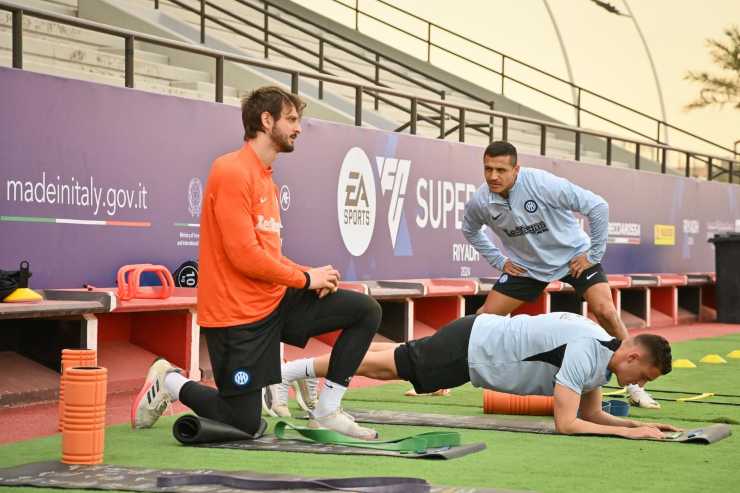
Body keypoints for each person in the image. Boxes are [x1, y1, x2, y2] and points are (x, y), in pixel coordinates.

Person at [131, 86, 381, 440]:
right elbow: (244, 255)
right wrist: (305, 278)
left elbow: (267, 254)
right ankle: (169, 381)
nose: (298, 128)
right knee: (244, 424)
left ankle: (327, 410)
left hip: (274, 301)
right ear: (266, 120)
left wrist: (309, 276)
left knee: (364, 310)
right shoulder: (231, 171)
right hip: (236, 318)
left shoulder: (266, 178)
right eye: (292, 119)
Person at [461, 141, 658, 409]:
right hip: (527, 267)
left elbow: (597, 206)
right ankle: (443, 378)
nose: (493, 176)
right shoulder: (481, 200)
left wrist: (593, 256)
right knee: (484, 319)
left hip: (572, 258)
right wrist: (498, 260)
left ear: (516, 169)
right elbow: (470, 229)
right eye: (488, 169)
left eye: (501, 170)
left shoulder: (542, 184)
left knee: (606, 311)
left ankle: (634, 387)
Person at [283, 312, 679, 439]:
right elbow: (566, 423)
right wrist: (628, 433)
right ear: (631, 355)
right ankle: (288, 372)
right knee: (382, 367)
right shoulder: (586, 350)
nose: (639, 385)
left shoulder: (601, 357)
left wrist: (643, 424)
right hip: (472, 349)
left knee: (387, 360)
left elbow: (590, 415)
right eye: (644, 376)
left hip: (475, 341)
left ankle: (300, 373)